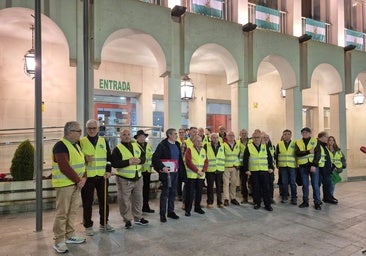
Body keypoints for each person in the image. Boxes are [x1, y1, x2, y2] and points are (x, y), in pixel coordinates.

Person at [51, 121, 86, 254]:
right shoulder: (60, 146)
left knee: (72, 212)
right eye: (79, 131)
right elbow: (64, 166)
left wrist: (84, 178)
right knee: (62, 214)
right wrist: (79, 180)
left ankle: (70, 235)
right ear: (70, 132)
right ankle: (59, 241)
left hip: (76, 184)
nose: (80, 134)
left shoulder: (76, 145)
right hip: (65, 185)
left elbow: (81, 164)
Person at [80, 119, 114, 236]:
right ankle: (88, 226)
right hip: (88, 177)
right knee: (87, 202)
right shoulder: (81, 142)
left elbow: (109, 158)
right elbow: (76, 158)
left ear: (98, 129)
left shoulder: (103, 141)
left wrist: (109, 171)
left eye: (94, 128)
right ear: (86, 129)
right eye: (89, 128)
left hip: (102, 176)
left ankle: (104, 223)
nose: (92, 130)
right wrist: (84, 158)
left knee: (104, 201)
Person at [111, 129, 148, 229]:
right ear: (120, 136)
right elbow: (114, 163)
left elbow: (144, 157)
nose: (127, 136)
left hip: (138, 177)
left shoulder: (137, 145)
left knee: (138, 199)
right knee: (124, 201)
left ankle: (138, 217)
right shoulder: (117, 149)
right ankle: (127, 220)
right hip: (124, 179)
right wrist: (128, 162)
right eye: (124, 135)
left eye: (128, 134)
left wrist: (140, 160)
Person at [152, 128, 186, 222]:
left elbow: (179, 159)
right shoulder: (162, 145)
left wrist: (182, 171)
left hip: (175, 173)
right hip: (166, 174)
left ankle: (171, 211)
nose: (177, 135)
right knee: (165, 194)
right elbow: (155, 158)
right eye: (175, 134)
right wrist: (162, 167)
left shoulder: (177, 144)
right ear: (169, 135)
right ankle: (162, 214)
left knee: (173, 193)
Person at [243, 130, 274, 211]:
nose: (256, 139)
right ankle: (257, 203)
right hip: (254, 171)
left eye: (258, 137)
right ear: (252, 138)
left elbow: (270, 158)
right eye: (255, 137)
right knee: (256, 188)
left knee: (266, 188)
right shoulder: (249, 146)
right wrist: (246, 169)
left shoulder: (265, 146)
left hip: (264, 171)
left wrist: (271, 167)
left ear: (261, 138)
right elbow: (245, 159)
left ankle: (268, 204)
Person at [295, 127, 322, 210]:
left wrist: (314, 165)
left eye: (307, 132)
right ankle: (305, 202)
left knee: (315, 185)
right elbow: (297, 153)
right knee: (305, 185)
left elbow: (318, 154)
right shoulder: (298, 142)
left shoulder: (315, 141)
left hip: (313, 166)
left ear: (310, 133)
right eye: (303, 132)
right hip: (303, 166)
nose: (305, 134)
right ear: (301, 134)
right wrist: (308, 151)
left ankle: (317, 202)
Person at [184, 136, 208, 216]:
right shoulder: (189, 149)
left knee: (199, 193)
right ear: (193, 141)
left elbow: (206, 162)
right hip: (192, 175)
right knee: (190, 194)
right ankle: (188, 210)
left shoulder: (203, 150)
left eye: (200, 141)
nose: (199, 143)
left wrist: (203, 171)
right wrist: (197, 171)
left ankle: (197, 208)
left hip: (200, 175)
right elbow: (188, 162)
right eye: (197, 141)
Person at [134, 130, 155, 213]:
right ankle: (138, 208)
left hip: (147, 171)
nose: (142, 138)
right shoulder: (134, 146)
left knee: (146, 190)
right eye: (140, 136)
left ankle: (145, 206)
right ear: (137, 138)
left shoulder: (148, 146)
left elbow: (151, 157)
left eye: (143, 136)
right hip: (138, 172)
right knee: (138, 191)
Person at [275, 129, 297, 205]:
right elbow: (276, 155)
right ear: (283, 135)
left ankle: (294, 198)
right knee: (284, 182)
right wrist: (277, 164)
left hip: (292, 166)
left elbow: (297, 154)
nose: (286, 135)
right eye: (285, 134)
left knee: (292, 182)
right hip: (283, 166)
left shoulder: (295, 144)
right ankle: (284, 197)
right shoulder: (279, 144)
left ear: (291, 135)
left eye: (288, 134)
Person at [204, 133, 225, 208]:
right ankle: (210, 202)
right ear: (210, 138)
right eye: (213, 137)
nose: (215, 139)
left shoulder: (223, 145)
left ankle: (220, 202)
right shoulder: (206, 145)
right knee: (210, 187)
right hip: (210, 170)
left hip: (219, 169)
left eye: (216, 137)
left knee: (219, 187)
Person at [317, 131, 338, 204]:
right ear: (322, 137)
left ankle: (327, 198)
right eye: (327, 137)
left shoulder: (325, 146)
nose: (327, 138)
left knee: (327, 185)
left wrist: (332, 167)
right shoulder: (318, 145)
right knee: (318, 185)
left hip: (327, 169)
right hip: (321, 169)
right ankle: (318, 200)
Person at [223, 131, 241, 206]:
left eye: (232, 135)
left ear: (234, 136)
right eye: (229, 135)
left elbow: (239, 155)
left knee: (234, 184)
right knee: (226, 184)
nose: (231, 137)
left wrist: (239, 164)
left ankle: (233, 198)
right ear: (226, 137)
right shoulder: (223, 145)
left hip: (235, 167)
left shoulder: (238, 144)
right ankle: (226, 199)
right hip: (226, 167)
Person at [327, 136, 346, 200]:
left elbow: (343, 158)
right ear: (328, 141)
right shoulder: (326, 149)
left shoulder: (338, 150)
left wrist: (343, 166)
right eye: (330, 140)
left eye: (333, 140)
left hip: (337, 169)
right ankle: (329, 196)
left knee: (333, 183)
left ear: (334, 141)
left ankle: (330, 196)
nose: (331, 141)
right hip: (329, 169)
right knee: (330, 183)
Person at [261, 132, 275, 204]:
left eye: (267, 138)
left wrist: (272, 167)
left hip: (270, 168)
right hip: (262, 168)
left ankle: (270, 197)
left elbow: (273, 158)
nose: (266, 139)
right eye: (264, 138)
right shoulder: (259, 147)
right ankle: (262, 197)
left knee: (270, 183)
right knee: (262, 184)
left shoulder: (272, 147)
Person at [237, 129, 250, 204]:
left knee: (253, 182)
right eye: (242, 133)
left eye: (245, 133)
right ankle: (245, 197)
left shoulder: (251, 141)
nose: (244, 135)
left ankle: (254, 196)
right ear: (240, 134)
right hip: (242, 166)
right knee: (243, 182)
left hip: (251, 165)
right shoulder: (237, 142)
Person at [176, 128, 187, 201]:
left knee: (186, 180)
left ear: (185, 133)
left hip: (186, 164)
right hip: (178, 163)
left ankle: (185, 195)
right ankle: (179, 194)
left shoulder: (188, 142)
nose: (181, 133)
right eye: (179, 132)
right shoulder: (176, 141)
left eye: (182, 132)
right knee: (178, 180)